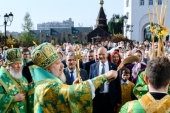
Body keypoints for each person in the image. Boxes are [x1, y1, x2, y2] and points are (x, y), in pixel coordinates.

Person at [29, 43, 118, 113]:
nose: (62, 65)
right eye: (57, 63)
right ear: (47, 70)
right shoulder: (47, 88)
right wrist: (105, 76)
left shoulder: (45, 84)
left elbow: (63, 100)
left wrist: (72, 87)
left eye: (60, 62)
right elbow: (78, 91)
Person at [89, 47, 121, 113]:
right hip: (97, 99)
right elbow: (90, 84)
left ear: (107, 54)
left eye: (103, 54)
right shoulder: (93, 66)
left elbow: (117, 84)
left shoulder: (114, 66)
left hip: (110, 99)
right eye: (99, 54)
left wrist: (118, 100)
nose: (101, 56)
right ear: (97, 55)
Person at [0, 48, 29, 113]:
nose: (19, 66)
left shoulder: (21, 77)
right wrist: (14, 98)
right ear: (8, 65)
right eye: (16, 64)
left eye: (20, 63)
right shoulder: (1, 78)